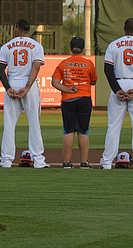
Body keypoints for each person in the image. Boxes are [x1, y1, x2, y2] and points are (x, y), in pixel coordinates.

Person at [99, 18, 133, 170]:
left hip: (119, 82)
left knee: (114, 126)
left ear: (124, 28)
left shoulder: (114, 44)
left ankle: (106, 162)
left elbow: (107, 69)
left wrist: (116, 89)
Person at [0, 19, 49, 168]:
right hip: (29, 84)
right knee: (34, 123)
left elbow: (1, 69)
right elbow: (36, 67)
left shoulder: (6, 46)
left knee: (9, 124)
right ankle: (38, 160)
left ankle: (6, 161)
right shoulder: (37, 46)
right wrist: (27, 87)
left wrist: (7, 88)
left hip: (13, 81)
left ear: (17, 29)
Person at [52, 37, 98, 169]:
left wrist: (68, 89)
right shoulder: (88, 63)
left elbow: (54, 82)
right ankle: (84, 162)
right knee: (83, 131)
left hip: (68, 99)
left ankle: (67, 162)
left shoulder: (63, 63)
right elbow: (94, 81)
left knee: (68, 131)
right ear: (83, 49)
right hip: (84, 98)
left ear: (70, 48)